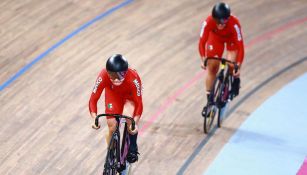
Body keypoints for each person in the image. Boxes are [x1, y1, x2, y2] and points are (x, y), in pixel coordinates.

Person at [89, 54, 143, 163]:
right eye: (112, 75)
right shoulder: (103, 75)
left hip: (129, 97)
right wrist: (94, 118)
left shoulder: (133, 78)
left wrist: (135, 123)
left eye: (120, 75)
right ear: (107, 72)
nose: (117, 79)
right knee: (112, 125)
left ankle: (133, 147)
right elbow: (93, 99)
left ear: (126, 72)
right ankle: (112, 152)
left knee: (129, 118)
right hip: (113, 95)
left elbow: (139, 104)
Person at [198, 2, 245, 116]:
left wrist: (238, 65)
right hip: (215, 39)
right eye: (218, 22)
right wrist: (203, 58)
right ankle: (209, 102)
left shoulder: (235, 24)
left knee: (232, 65)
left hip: (231, 39)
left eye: (223, 22)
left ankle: (235, 80)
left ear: (228, 19)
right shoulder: (208, 22)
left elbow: (240, 46)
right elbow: (202, 42)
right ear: (214, 18)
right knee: (212, 68)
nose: (220, 25)